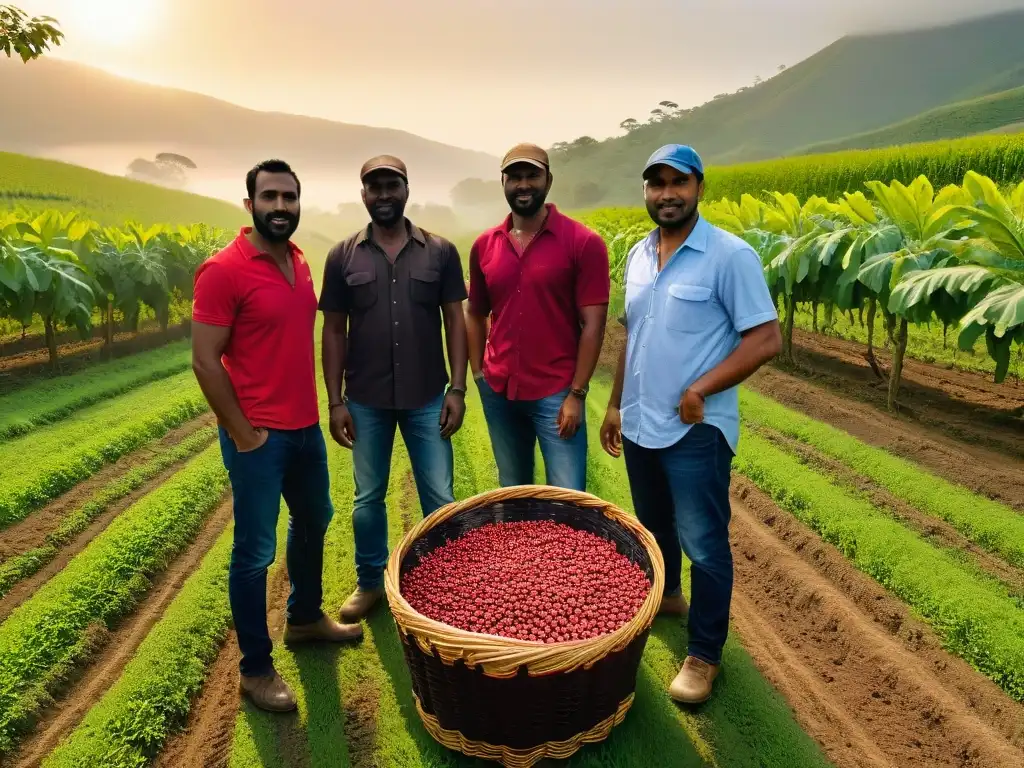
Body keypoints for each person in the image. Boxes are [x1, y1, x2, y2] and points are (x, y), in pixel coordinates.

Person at [599, 144, 782, 704]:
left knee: (704, 543)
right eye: (656, 184)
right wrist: (614, 404)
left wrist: (702, 388)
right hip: (640, 421)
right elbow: (634, 335)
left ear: (700, 187)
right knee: (654, 527)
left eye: (678, 183)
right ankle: (669, 597)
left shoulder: (730, 256)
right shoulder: (637, 254)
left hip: (696, 428)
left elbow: (765, 337)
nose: (666, 194)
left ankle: (704, 655)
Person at [191, 159, 363, 714]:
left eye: (290, 196)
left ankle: (306, 618)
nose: (282, 206)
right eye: (271, 197)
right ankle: (256, 669)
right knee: (254, 552)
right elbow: (205, 361)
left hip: (305, 429)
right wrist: (243, 435)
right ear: (250, 204)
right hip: (259, 439)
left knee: (316, 519)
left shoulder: (298, 260)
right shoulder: (222, 270)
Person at [320, 155, 469, 623]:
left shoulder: (440, 251)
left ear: (406, 189)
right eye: (374, 187)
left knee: (440, 496)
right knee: (368, 497)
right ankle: (370, 583)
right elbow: (333, 331)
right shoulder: (342, 255)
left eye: (392, 185)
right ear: (362, 194)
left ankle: (443, 581)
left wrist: (458, 389)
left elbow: (454, 322)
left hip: (428, 395)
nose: (383, 194)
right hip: (365, 399)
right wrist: (336, 401)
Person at [466, 143, 609, 491]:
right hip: (500, 391)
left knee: (567, 497)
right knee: (514, 493)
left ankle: (564, 549)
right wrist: (478, 372)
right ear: (503, 182)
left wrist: (577, 393)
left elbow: (594, 324)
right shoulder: (485, 245)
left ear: (548, 179)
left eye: (532, 175)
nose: (523, 184)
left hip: (556, 393)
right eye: (514, 176)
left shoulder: (582, 242)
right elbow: (475, 313)